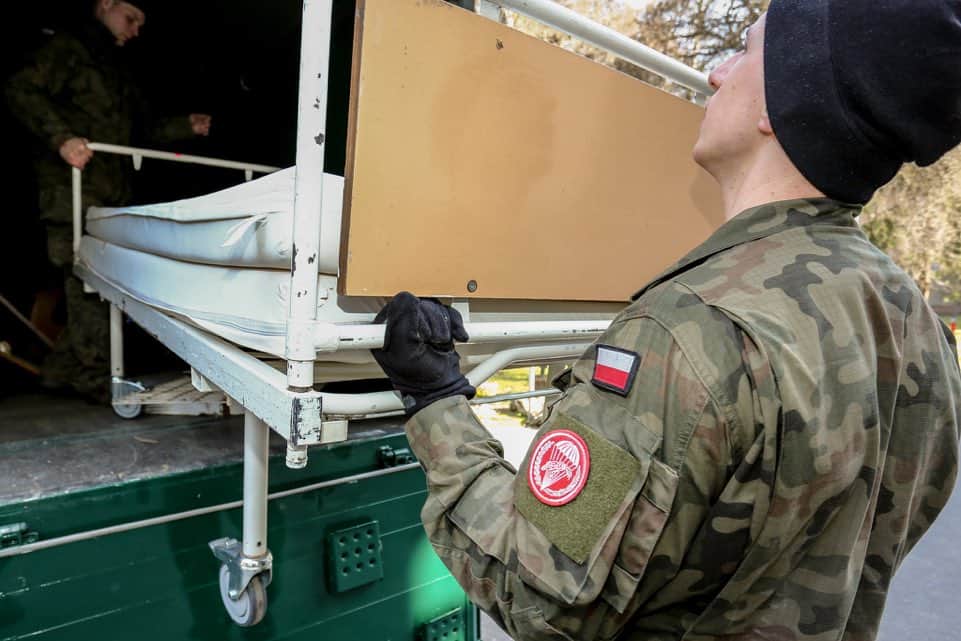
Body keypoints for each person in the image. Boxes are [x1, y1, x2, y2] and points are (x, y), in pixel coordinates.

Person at [371, 1, 961, 639]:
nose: (716, 73)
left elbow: (538, 596)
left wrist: (434, 399)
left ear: (781, 105)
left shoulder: (688, 332)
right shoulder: (916, 325)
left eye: (745, 49)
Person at [4, 0, 211, 402]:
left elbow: (139, 130)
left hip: (110, 194)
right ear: (106, 6)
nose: (134, 30)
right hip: (71, 188)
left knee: (103, 280)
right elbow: (21, 89)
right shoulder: (70, 49)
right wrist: (61, 138)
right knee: (88, 280)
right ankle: (93, 375)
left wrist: (185, 126)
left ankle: (62, 371)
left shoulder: (115, 68)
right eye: (130, 18)